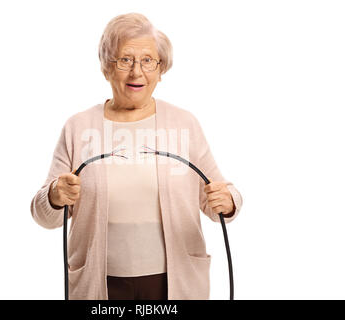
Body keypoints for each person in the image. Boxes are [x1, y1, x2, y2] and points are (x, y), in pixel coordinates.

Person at [30, 12, 243, 300]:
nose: (136, 72)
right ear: (107, 67)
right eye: (125, 60)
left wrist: (228, 201)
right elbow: (45, 217)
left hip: (173, 284)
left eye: (147, 61)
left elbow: (217, 198)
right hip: (99, 284)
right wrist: (55, 195)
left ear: (160, 69)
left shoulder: (184, 124)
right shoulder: (78, 128)